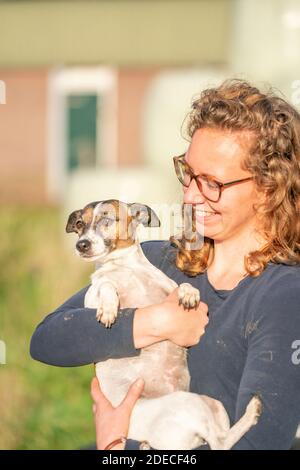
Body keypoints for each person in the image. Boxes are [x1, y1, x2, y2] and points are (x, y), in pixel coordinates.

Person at [30, 79, 300, 450]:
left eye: (212, 183)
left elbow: (256, 444)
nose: (189, 195)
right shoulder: (161, 260)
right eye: (188, 173)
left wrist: (117, 447)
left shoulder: (285, 297)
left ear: (269, 188)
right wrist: (152, 321)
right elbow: (48, 339)